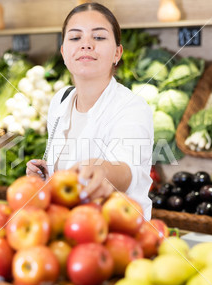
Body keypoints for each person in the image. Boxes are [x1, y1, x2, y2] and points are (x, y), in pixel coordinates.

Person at [26, 2, 154, 219]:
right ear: (64, 52)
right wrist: (46, 175)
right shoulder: (61, 100)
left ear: (117, 53)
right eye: (75, 38)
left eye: (99, 37)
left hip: (117, 234)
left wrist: (103, 170)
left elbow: (128, 170)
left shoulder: (132, 107)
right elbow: (65, 179)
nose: (86, 44)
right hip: (69, 230)